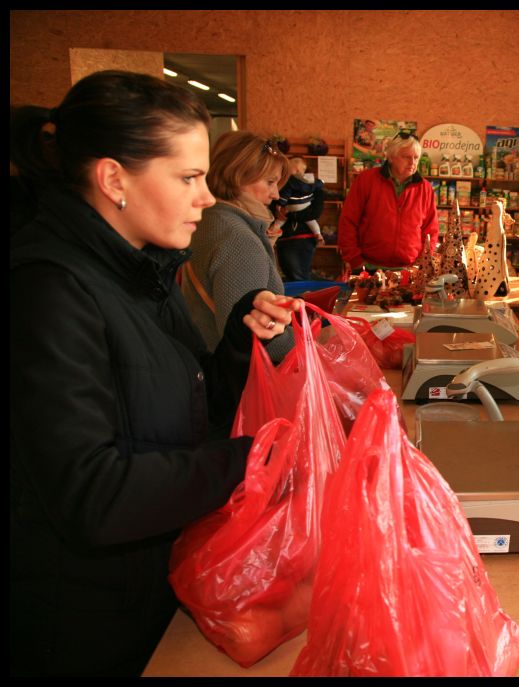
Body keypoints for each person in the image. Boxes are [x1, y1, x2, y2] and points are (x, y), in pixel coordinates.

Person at [9, 70, 300, 677]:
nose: (207, 198)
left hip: (152, 592)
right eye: (189, 178)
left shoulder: (142, 272)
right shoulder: (49, 291)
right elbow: (92, 494)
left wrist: (241, 342)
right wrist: (251, 462)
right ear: (114, 179)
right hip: (84, 624)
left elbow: (188, 412)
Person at [181, 130, 294, 362]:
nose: (276, 194)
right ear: (237, 176)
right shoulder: (237, 238)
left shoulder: (209, 219)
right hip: (234, 376)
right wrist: (311, 339)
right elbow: (253, 337)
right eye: (270, 182)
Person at [337, 131, 438, 274]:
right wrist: (355, 260)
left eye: (416, 158)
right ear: (391, 157)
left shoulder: (425, 188)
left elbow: (431, 231)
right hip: (368, 268)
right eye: (406, 157)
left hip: (408, 271)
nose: (412, 162)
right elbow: (348, 221)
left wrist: (422, 263)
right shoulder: (366, 180)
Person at [272, 156, 326, 281]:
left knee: (298, 276)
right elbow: (274, 206)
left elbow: (314, 213)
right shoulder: (282, 185)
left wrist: (289, 215)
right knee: (291, 275)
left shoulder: (315, 188)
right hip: (284, 238)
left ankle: (303, 295)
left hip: (302, 238)